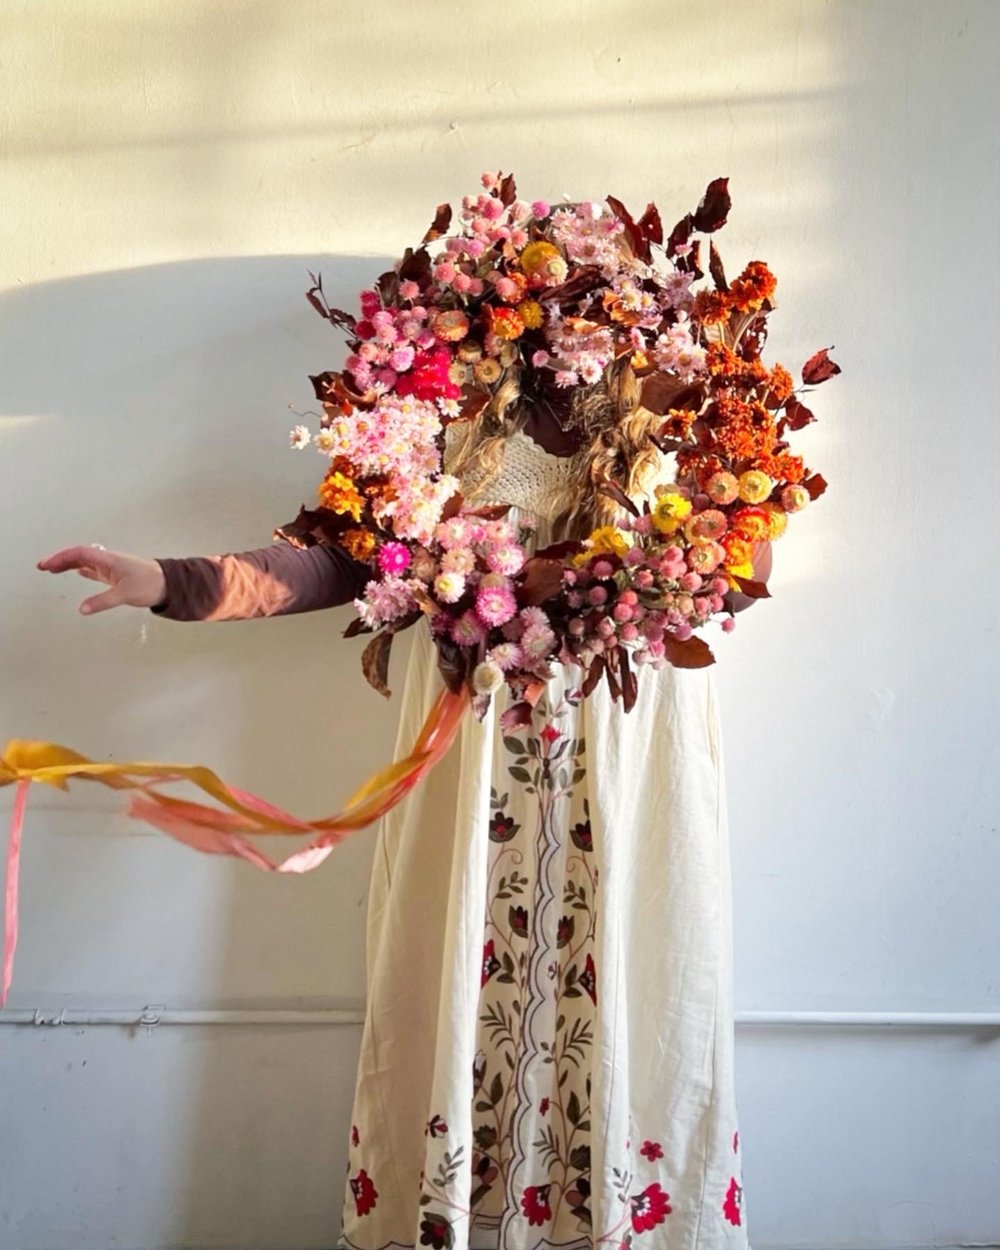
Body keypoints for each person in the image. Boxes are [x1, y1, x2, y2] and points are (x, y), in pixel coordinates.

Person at [37, 363, 767, 1250]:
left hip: (625, 757)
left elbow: (743, 564)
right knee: (449, 965)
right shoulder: (441, 415)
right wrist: (165, 580)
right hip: (469, 757)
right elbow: (335, 562)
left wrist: (619, 578)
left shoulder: (691, 414)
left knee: (632, 970)